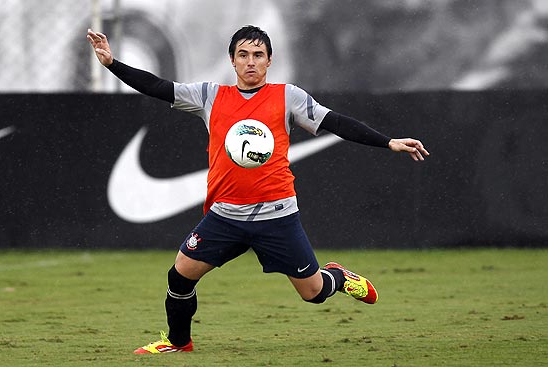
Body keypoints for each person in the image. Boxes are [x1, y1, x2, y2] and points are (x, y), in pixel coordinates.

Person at [87, 25, 429, 354]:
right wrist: (112, 64)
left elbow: (335, 122)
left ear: (269, 61)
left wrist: (387, 142)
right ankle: (178, 341)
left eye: (259, 55)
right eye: (243, 54)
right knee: (179, 276)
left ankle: (337, 277)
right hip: (225, 216)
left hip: (277, 216)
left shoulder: (287, 97)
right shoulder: (209, 96)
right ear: (232, 60)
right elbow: (159, 87)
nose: (251, 61)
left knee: (313, 293)